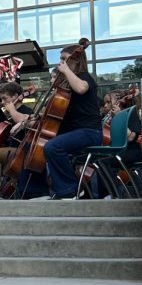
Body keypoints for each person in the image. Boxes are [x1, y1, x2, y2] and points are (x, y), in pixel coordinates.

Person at [42, 38, 102, 200]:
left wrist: (66, 71)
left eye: (64, 58)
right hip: (77, 132)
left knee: (52, 147)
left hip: (90, 132)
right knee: (39, 146)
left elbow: (82, 88)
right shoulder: (68, 83)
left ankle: (70, 190)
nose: (60, 62)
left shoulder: (84, 77)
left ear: (75, 59)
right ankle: (38, 191)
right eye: (60, 59)